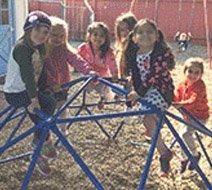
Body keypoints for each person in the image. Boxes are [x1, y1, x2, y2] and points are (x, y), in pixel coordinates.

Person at [122, 19, 175, 177]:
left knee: (148, 118)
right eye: (141, 32)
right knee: (148, 121)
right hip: (144, 91)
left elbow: (154, 75)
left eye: (150, 31)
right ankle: (164, 152)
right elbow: (135, 76)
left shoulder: (161, 53)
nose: (145, 35)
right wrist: (132, 90)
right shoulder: (134, 54)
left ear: (157, 36)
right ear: (134, 37)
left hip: (161, 91)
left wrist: (138, 93)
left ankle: (163, 152)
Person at [3, 10, 53, 176]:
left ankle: (43, 138)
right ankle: (37, 147)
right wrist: (33, 99)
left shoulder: (39, 47)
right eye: (36, 30)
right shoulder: (22, 48)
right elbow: (28, 76)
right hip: (16, 93)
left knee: (51, 101)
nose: (41, 35)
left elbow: (42, 71)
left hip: (29, 89)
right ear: (28, 30)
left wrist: (50, 86)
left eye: (45, 32)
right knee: (43, 110)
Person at [39, 16, 92, 136]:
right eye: (54, 35)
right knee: (49, 109)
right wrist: (52, 84)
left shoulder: (64, 49)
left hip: (63, 85)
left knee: (62, 107)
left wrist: (88, 71)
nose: (58, 39)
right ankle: (47, 133)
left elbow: (76, 60)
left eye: (61, 36)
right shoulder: (43, 51)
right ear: (47, 34)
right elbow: (44, 71)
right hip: (48, 87)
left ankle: (63, 129)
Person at [173, 57, 209, 174]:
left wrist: (180, 104)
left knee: (185, 134)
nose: (193, 75)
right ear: (185, 71)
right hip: (188, 115)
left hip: (199, 116)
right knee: (180, 136)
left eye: (196, 72)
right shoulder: (183, 83)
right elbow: (177, 94)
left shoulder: (200, 86)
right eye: (190, 71)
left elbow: (194, 100)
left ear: (201, 74)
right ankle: (184, 158)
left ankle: (195, 155)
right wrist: (173, 101)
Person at [78, 22, 118, 108]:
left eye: (102, 36)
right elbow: (77, 59)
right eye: (95, 34)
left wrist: (114, 73)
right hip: (88, 74)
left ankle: (103, 98)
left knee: (103, 88)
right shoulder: (83, 48)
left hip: (102, 75)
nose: (98, 38)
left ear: (106, 39)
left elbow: (112, 63)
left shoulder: (107, 52)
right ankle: (85, 102)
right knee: (86, 87)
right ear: (90, 36)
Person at [114, 12, 137, 79]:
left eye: (129, 29)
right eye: (122, 30)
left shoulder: (137, 48)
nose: (125, 32)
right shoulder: (121, 47)